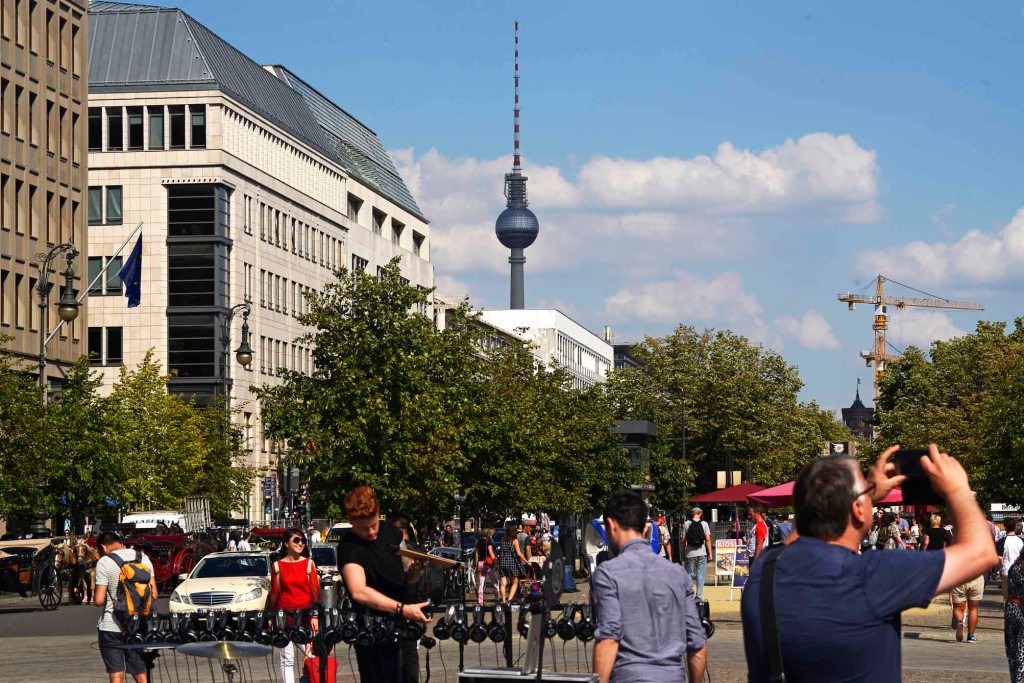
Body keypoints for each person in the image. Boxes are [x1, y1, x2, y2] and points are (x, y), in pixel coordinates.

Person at [741, 445, 997, 682]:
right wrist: (958, 490)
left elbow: (807, 526)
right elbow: (981, 553)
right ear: (856, 510)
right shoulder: (871, 575)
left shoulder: (765, 569)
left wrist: (863, 496)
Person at [592, 489, 706, 682]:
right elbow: (697, 643)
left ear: (611, 525)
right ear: (645, 528)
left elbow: (609, 638)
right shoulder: (677, 574)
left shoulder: (608, 573)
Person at [339, 487, 430, 683]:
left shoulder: (392, 532)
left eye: (373, 525)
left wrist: (416, 569)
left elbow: (407, 577)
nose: (371, 532)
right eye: (364, 528)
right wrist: (402, 609)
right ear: (350, 520)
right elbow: (359, 592)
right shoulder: (348, 546)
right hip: (372, 629)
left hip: (403, 627)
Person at [94, 532, 158, 683]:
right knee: (140, 671)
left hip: (112, 625)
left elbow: (98, 600)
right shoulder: (143, 558)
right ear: (120, 542)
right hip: (137, 624)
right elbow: (154, 593)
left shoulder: (104, 562)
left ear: (103, 546)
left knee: (117, 673)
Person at [266, 528, 320, 683]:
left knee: (312, 655)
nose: (301, 543)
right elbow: (275, 594)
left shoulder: (309, 564)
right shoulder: (277, 566)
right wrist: (271, 617)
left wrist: (315, 616)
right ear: (286, 544)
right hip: (284, 617)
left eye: (302, 540)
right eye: (296, 540)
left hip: (306, 617)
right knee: (286, 658)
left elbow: (315, 593)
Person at [682, 507, 713, 601]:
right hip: (702, 553)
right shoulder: (704, 524)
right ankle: (698, 597)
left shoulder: (686, 524)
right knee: (701, 575)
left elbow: (683, 540)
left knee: (689, 575)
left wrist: (683, 552)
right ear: (699, 513)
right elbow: (707, 539)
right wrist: (710, 553)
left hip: (690, 553)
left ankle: (689, 596)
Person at [1005, 549, 1024, 681]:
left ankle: (1015, 679)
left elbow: (1007, 590)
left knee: (1012, 649)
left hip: (1011, 608)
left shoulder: (1015, 566)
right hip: (1022, 609)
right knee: (1021, 651)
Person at [499, 520, 528, 603]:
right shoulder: (514, 541)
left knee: (503, 583)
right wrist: (526, 561)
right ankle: (510, 599)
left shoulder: (502, 539)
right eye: (515, 530)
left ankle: (504, 601)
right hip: (512, 563)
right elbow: (519, 554)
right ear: (512, 531)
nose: (516, 532)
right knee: (515, 581)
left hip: (503, 563)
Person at [952, 571, 984, 643]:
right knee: (973, 608)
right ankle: (971, 636)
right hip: (976, 577)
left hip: (959, 577)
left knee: (958, 608)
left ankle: (960, 622)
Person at [475, 528, 498, 605]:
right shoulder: (489, 542)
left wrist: (476, 564)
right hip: (488, 563)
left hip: (480, 563)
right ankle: (497, 597)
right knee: (495, 581)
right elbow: (491, 553)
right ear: (487, 534)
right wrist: (496, 562)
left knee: (481, 582)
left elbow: (476, 554)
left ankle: (480, 600)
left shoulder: (478, 542)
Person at [1004, 518, 1024, 598]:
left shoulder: (1002, 541)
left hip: (1006, 571)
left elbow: (1000, 558)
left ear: (1005, 527)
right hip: (1019, 571)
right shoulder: (1021, 541)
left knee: (1007, 598)